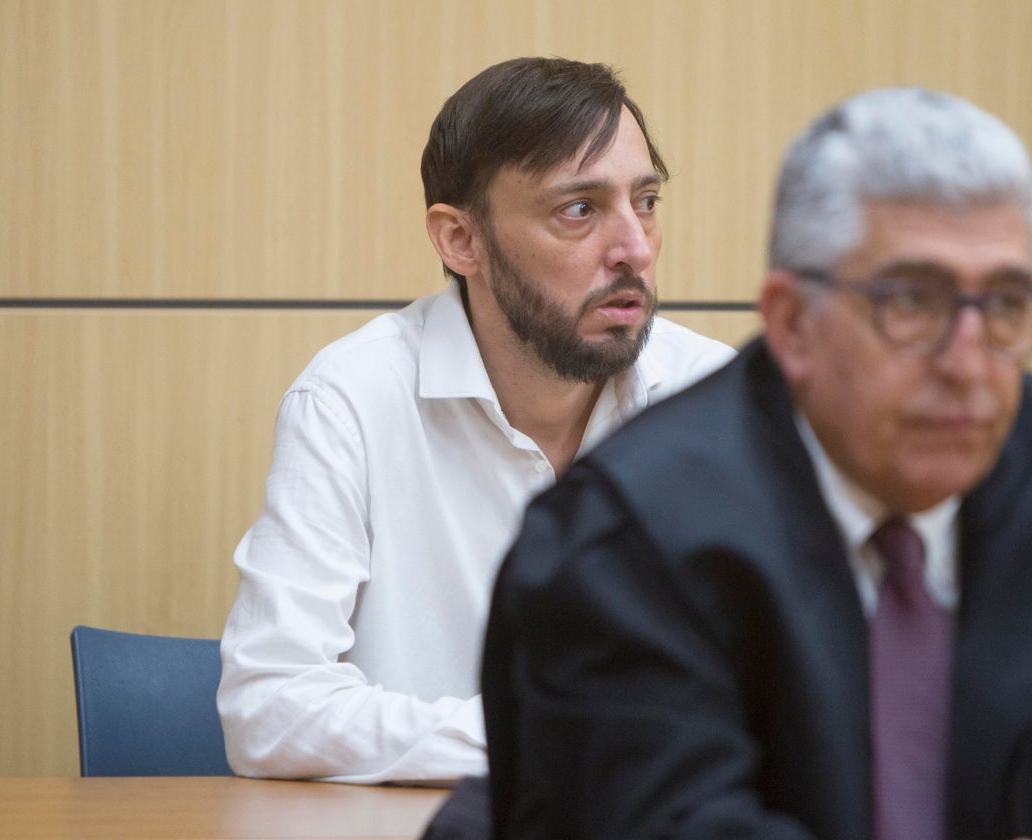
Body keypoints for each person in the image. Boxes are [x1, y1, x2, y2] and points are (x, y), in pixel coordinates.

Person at [482, 87, 1032, 839]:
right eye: (912, 303)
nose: (969, 365)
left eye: (1005, 305)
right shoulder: (624, 543)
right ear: (793, 322)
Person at [217, 57, 735, 786]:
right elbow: (269, 707)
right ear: (462, 240)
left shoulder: (713, 398)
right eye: (579, 210)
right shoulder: (353, 399)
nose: (635, 250)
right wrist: (554, 738)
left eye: (644, 201)